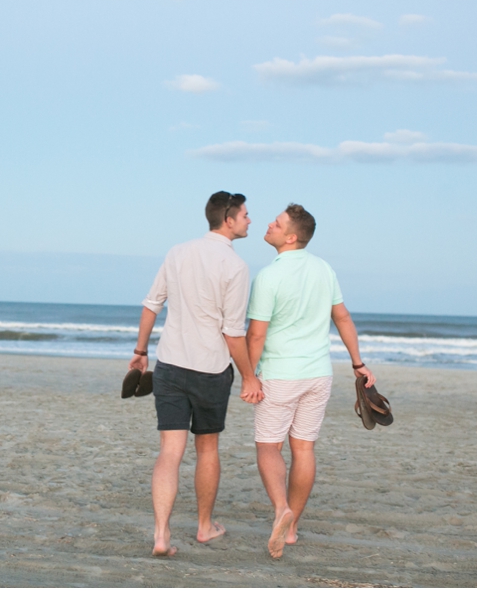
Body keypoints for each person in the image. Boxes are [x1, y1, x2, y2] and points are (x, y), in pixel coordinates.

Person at [129, 191, 263, 557]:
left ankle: (161, 535)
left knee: (169, 451)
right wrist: (250, 376)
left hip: (170, 364)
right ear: (229, 219)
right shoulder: (235, 267)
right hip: (210, 369)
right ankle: (204, 527)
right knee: (207, 448)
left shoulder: (177, 252)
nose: (250, 220)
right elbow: (232, 332)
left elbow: (151, 304)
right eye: (246, 215)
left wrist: (140, 353)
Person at [244, 204, 375, 559]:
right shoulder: (324, 268)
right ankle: (293, 528)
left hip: (280, 375)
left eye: (276, 223)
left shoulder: (268, 277)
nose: (268, 224)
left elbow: (256, 335)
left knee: (269, 447)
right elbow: (343, 317)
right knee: (304, 449)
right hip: (319, 374)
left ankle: (281, 509)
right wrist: (358, 364)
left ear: (290, 237)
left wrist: (248, 375)